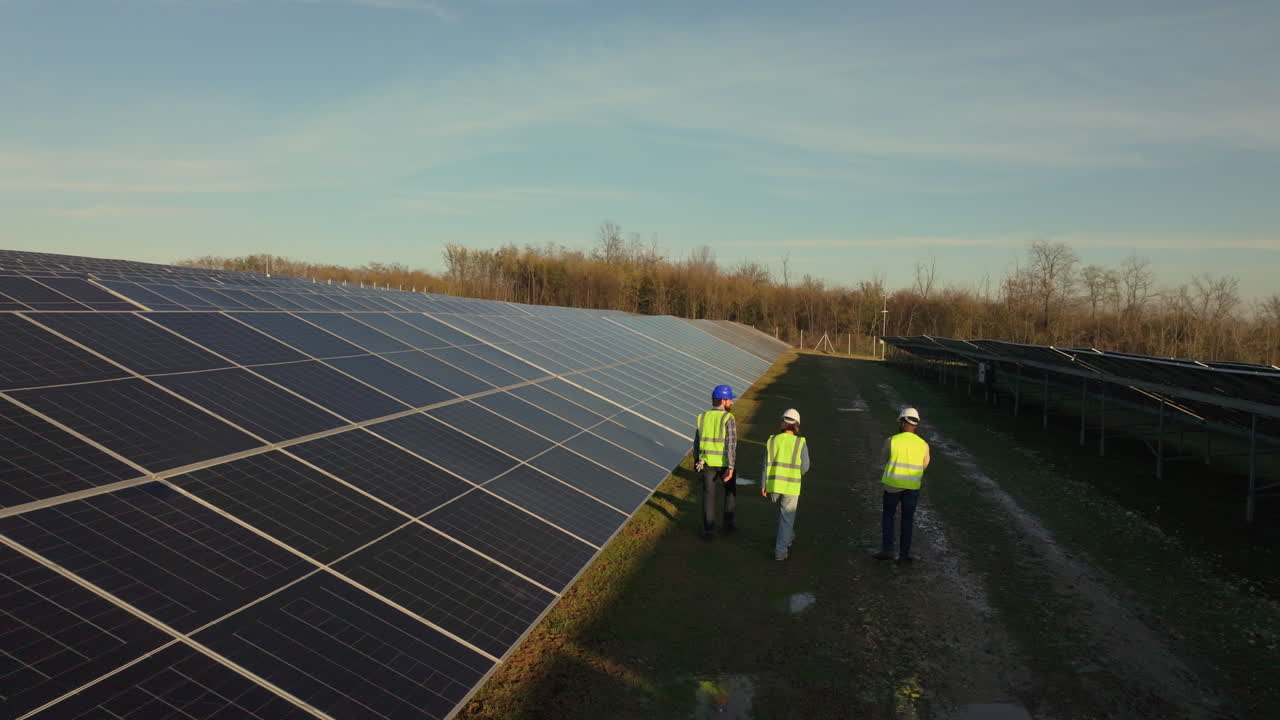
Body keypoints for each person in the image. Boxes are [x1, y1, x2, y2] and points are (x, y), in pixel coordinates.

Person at [875, 407, 931, 565]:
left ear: (902, 422)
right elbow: (924, 464)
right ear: (915, 424)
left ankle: (887, 550)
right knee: (907, 520)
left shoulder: (892, 441)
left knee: (888, 516)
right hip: (912, 488)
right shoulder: (923, 444)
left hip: (892, 486)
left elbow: (883, 459)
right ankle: (904, 555)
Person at [761, 408, 810, 561]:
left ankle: (788, 537)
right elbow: (805, 467)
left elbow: (765, 464)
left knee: (781, 516)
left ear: (783, 422)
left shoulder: (772, 440)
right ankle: (781, 552)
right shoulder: (800, 443)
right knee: (787, 518)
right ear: (797, 425)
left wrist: (763, 484)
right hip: (791, 486)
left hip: (774, 485)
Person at [693, 384, 738, 539]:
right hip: (725, 463)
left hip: (706, 463)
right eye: (730, 399)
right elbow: (731, 444)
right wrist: (731, 466)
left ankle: (708, 531)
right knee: (730, 493)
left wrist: (696, 461)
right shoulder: (728, 418)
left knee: (708, 496)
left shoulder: (702, 417)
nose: (732, 402)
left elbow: (697, 442)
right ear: (723, 400)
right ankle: (728, 525)